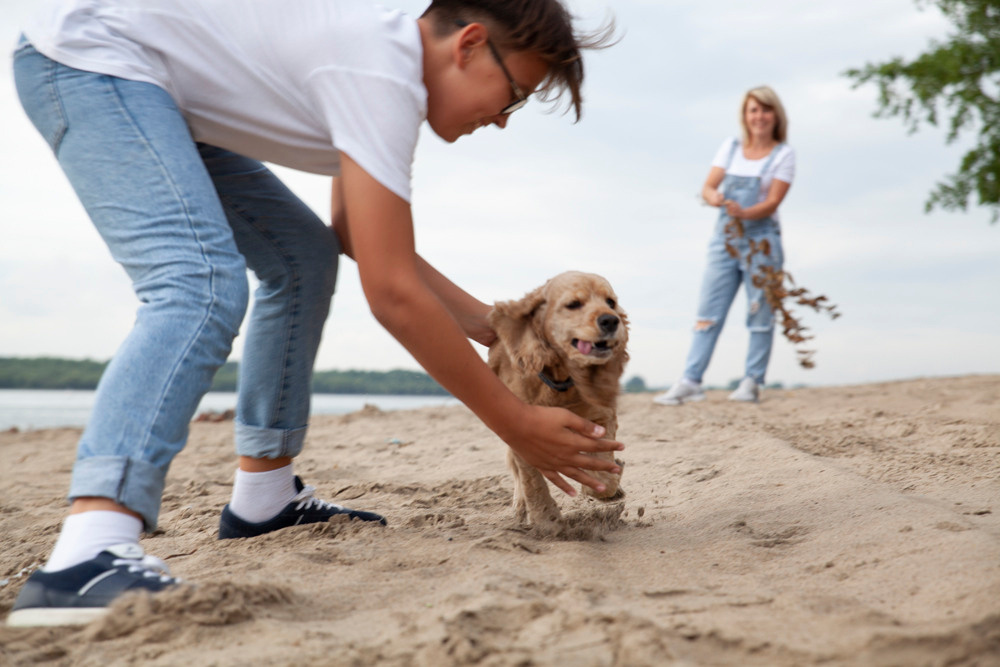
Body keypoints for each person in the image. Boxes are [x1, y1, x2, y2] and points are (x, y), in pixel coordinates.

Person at [8, 0, 621, 627]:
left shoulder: (378, 70)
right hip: (91, 60)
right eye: (514, 94)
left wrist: (494, 327)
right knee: (199, 285)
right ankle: (88, 553)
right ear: (468, 45)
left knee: (302, 257)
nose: (504, 120)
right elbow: (392, 295)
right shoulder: (382, 76)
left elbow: (356, 236)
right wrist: (516, 421)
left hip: (161, 92)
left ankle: (264, 496)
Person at [655, 86, 795, 406]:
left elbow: (773, 201)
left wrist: (745, 213)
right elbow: (707, 187)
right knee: (708, 312)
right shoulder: (730, 148)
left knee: (760, 312)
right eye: (753, 110)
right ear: (745, 116)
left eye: (766, 110)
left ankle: (751, 382)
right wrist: (715, 198)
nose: (759, 116)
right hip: (724, 240)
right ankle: (690, 380)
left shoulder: (783, 154)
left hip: (762, 242)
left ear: (776, 115)